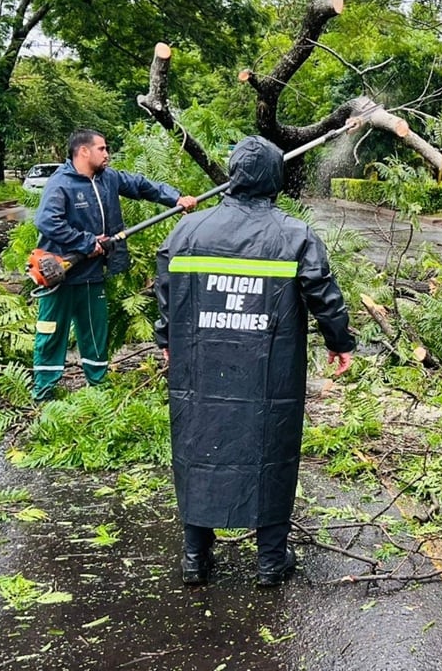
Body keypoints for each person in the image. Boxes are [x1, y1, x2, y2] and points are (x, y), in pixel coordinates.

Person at [154, 136, 355, 588]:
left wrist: (166, 338)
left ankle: (194, 557)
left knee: (197, 447)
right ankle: (269, 561)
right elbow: (323, 293)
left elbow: (165, 289)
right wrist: (339, 342)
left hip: (200, 367)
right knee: (271, 450)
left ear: (232, 175)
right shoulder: (294, 235)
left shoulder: (187, 231)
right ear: (274, 179)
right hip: (271, 369)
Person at [31, 129, 197, 401]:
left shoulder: (108, 179)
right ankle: (44, 390)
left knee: (95, 330)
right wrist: (86, 242)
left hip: (92, 272)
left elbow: (142, 185)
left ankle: (98, 385)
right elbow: (47, 221)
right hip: (59, 272)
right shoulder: (61, 184)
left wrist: (176, 198)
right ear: (83, 151)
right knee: (51, 330)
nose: (107, 154)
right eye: (102, 149)